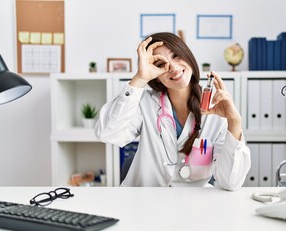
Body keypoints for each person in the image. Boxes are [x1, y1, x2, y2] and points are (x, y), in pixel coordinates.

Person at [95, 32, 251, 191]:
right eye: (161, 64)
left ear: (188, 57)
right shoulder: (145, 103)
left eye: (176, 56)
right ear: (155, 76)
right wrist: (140, 78)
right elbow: (108, 133)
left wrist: (234, 122)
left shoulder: (216, 109)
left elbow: (231, 182)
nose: (173, 68)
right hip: (143, 201)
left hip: (192, 206)